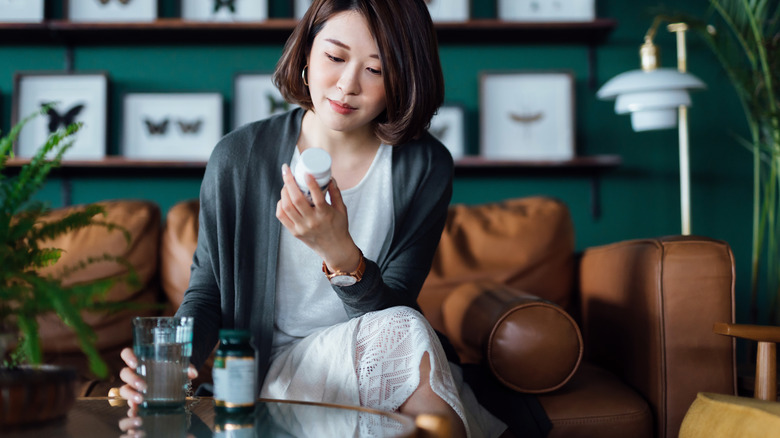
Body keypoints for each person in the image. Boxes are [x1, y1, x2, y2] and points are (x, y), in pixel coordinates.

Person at [119, 1, 517, 436]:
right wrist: (173, 361)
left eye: (376, 70)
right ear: (306, 53)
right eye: (335, 57)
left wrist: (339, 252)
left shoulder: (423, 166)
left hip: (386, 357)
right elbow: (207, 291)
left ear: (403, 80)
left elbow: (394, 307)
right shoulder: (238, 157)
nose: (348, 86)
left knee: (405, 330)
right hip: (283, 372)